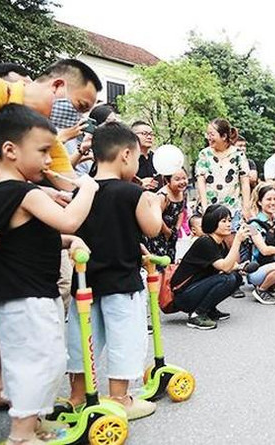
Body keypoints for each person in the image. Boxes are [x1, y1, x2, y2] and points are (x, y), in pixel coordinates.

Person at [0, 104, 97, 445]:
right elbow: (69, 220)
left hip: (30, 294)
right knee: (35, 363)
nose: (49, 160)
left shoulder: (9, 195)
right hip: (26, 298)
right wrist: (88, 190)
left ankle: (35, 423)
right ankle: (21, 435)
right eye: (42, 151)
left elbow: (31, 238)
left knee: (45, 360)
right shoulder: (25, 193)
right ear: (10, 151)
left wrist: (68, 241)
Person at [65, 122, 164, 420]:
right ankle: (119, 397)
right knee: (125, 338)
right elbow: (153, 228)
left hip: (86, 281)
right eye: (135, 157)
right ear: (125, 155)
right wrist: (155, 204)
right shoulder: (131, 193)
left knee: (83, 338)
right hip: (122, 282)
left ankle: (77, 396)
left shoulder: (83, 191)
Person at [0, 59, 102, 187]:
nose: (78, 117)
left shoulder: (46, 136)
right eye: (80, 106)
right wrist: (34, 192)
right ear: (57, 86)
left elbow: (69, 184)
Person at [170, 205, 245, 330]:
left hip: (195, 289)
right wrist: (237, 240)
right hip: (182, 295)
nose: (228, 224)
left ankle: (209, 309)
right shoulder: (205, 242)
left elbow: (229, 264)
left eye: (230, 220)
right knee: (227, 279)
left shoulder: (220, 243)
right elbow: (225, 267)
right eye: (224, 221)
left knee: (236, 277)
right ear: (212, 222)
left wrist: (241, 267)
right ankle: (197, 314)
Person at [195, 118, 252, 236]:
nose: (208, 137)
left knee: (232, 244)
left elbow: (245, 182)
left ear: (224, 136)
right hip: (211, 209)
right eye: (208, 134)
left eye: (212, 134)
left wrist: (246, 208)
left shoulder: (238, 154)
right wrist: (205, 207)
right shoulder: (204, 154)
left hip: (233, 208)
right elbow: (201, 182)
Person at [143, 169, 188, 262]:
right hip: (158, 234)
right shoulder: (163, 196)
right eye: (177, 179)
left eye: (184, 178)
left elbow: (181, 211)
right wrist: (166, 231)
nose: (182, 182)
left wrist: (176, 229)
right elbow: (156, 216)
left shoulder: (183, 193)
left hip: (171, 233)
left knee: (170, 260)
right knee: (160, 263)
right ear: (168, 181)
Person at [131, 121, 162, 191]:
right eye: (144, 133)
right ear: (133, 136)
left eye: (151, 134)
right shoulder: (128, 159)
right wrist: (139, 184)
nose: (149, 137)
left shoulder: (157, 158)